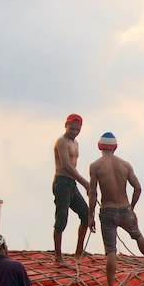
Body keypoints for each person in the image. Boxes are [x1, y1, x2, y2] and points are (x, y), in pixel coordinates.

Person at [88, 132, 144, 286]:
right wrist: (131, 207)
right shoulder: (125, 165)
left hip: (107, 211)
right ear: (116, 147)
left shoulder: (95, 166)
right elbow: (138, 188)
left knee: (111, 250)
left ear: (99, 146)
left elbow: (93, 193)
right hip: (125, 209)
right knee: (138, 236)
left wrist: (90, 216)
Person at [52, 113, 90, 266]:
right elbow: (66, 166)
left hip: (72, 183)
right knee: (61, 219)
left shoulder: (76, 143)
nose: (74, 131)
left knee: (86, 214)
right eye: (72, 128)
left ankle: (79, 250)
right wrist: (85, 183)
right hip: (62, 182)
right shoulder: (61, 141)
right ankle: (58, 257)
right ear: (65, 125)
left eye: (77, 129)